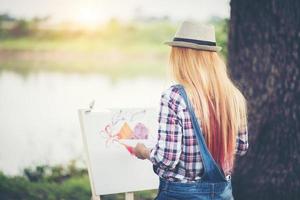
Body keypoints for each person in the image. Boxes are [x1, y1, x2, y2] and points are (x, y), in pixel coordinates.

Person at [133, 20, 249, 200]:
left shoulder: (174, 97)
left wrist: (144, 151)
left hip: (181, 194)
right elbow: (241, 147)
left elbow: (167, 159)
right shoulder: (233, 95)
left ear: (181, 56)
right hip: (223, 193)